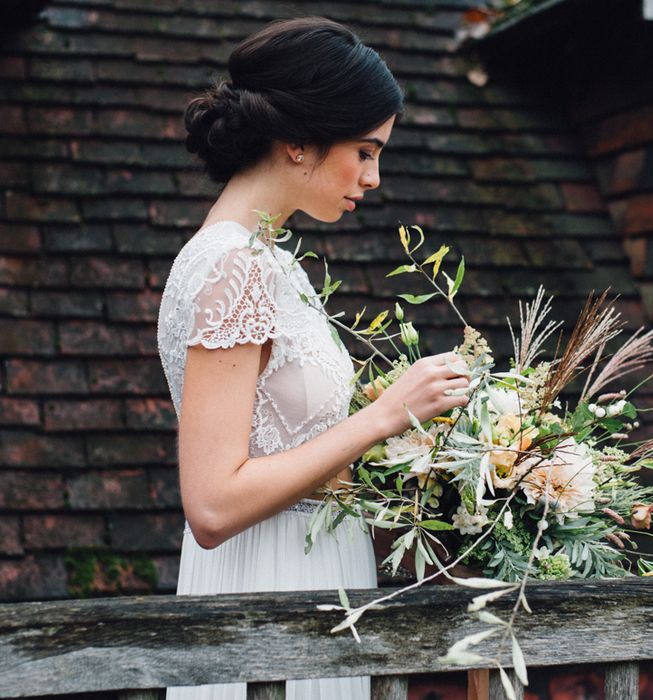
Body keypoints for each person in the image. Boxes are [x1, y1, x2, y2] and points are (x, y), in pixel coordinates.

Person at [157, 17, 470, 700]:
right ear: (298, 139)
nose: (373, 175)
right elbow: (211, 504)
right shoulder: (231, 267)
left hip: (319, 578)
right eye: (364, 150)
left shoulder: (270, 263)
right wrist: (385, 416)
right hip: (266, 589)